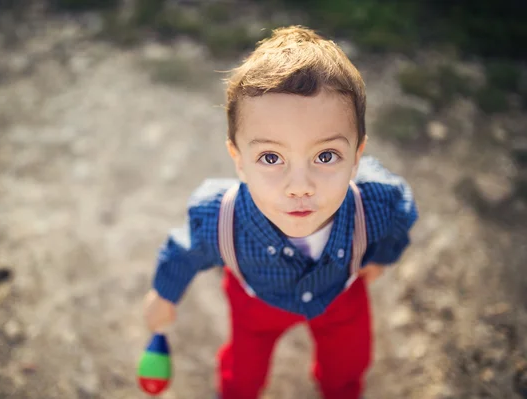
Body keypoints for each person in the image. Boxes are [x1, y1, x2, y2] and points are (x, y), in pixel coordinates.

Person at [143, 25, 418, 399]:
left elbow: (401, 218)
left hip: (340, 296)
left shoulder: (374, 204)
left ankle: (340, 389)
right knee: (243, 374)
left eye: (325, 156)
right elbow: (183, 249)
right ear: (238, 160)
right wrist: (164, 294)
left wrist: (383, 256)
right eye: (271, 158)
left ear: (356, 157)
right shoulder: (220, 219)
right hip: (256, 306)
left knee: (348, 366)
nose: (299, 185)